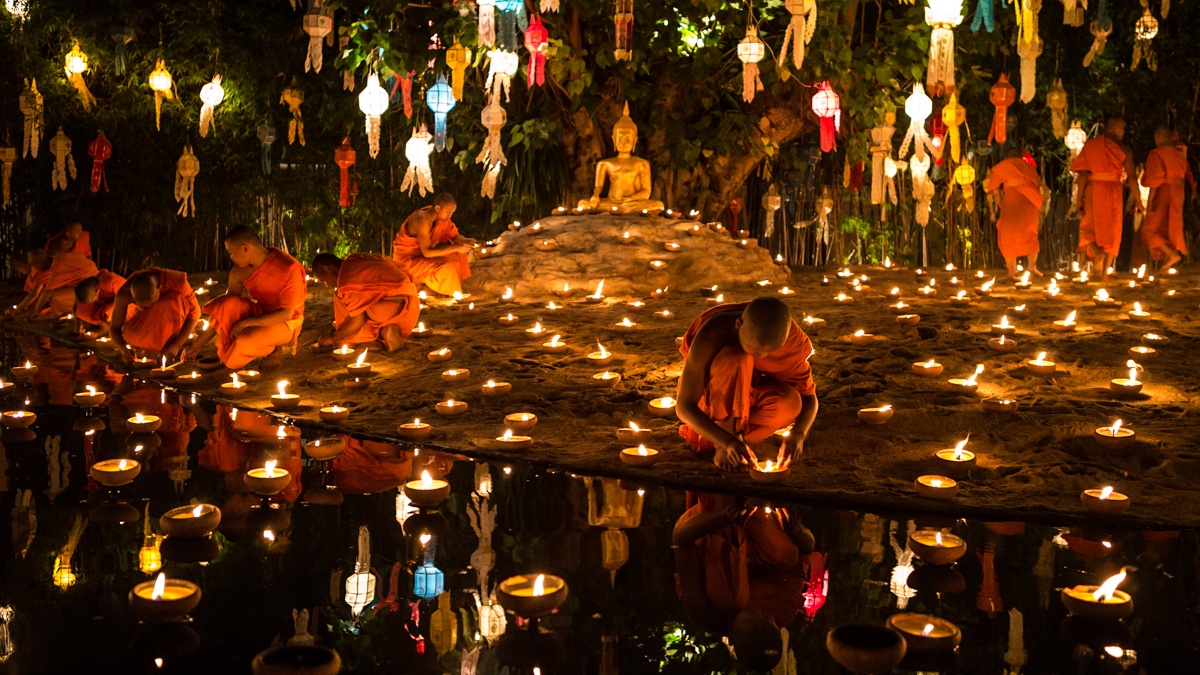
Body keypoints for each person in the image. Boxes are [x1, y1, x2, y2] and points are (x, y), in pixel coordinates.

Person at [673, 492, 812, 672]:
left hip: (712, 520)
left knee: (730, 599)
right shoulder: (783, 610)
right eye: (766, 617)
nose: (759, 611)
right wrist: (798, 532)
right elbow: (807, 550)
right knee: (787, 555)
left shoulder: (703, 612)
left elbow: (680, 539)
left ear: (731, 637)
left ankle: (725, 492)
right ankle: (753, 495)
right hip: (754, 522)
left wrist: (723, 517)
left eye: (751, 617)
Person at [676, 297, 818, 472]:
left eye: (771, 350)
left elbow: (809, 397)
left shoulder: (791, 340)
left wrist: (799, 434)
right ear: (738, 324)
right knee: (736, 357)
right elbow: (684, 406)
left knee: (791, 403)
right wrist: (726, 442)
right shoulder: (711, 334)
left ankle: (738, 441)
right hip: (712, 405)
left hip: (750, 398)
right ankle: (723, 441)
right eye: (755, 348)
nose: (762, 355)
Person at [185, 226, 306, 370]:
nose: (231, 257)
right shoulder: (239, 271)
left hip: (287, 323)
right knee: (226, 303)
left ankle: (274, 349)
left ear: (245, 248)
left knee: (241, 348)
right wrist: (196, 345)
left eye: (231, 252)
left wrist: (246, 323)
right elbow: (223, 311)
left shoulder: (289, 268)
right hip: (260, 313)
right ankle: (255, 340)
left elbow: (287, 314)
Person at [1071, 117, 1140, 279]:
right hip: (1113, 191)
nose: (1123, 132)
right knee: (1112, 231)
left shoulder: (1091, 146)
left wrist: (1079, 199)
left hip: (1093, 189)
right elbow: (1131, 178)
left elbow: (1082, 174)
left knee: (1087, 228)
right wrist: (1138, 200)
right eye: (1121, 128)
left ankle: (1096, 253)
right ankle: (1103, 275)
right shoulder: (1124, 149)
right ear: (1113, 128)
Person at [311, 252, 420, 352]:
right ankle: (387, 331)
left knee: (344, 301)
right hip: (411, 305)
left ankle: (364, 339)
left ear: (328, 269)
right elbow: (400, 267)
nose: (326, 285)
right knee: (359, 304)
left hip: (390, 310)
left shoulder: (346, 279)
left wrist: (333, 338)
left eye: (323, 280)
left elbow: (358, 320)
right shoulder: (355, 258)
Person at [109, 268, 201, 362]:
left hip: (168, 313)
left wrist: (176, 346)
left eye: (151, 303)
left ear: (159, 288)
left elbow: (195, 314)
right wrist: (123, 350)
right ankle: (152, 346)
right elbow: (114, 328)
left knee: (174, 301)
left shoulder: (175, 281)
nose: (149, 307)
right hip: (143, 321)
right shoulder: (124, 294)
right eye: (144, 305)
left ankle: (167, 343)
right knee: (130, 336)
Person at [392, 193, 475, 296]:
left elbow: (454, 236)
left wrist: (466, 241)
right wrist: (455, 247)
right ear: (437, 208)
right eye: (448, 212)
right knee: (447, 266)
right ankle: (453, 292)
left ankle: (449, 288)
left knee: (458, 254)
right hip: (408, 260)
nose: (450, 216)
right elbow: (427, 252)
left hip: (423, 255)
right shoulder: (422, 220)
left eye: (452, 213)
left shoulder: (441, 219)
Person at [986, 147, 1046, 278]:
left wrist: (1002, 204)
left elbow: (996, 191)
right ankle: (1031, 267)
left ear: (1007, 157)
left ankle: (1012, 271)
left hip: (1011, 203)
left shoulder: (1003, 166)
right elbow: (1037, 186)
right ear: (1020, 157)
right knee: (1030, 234)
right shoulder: (1029, 167)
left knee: (1008, 236)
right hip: (1030, 203)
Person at [1141, 126, 1189, 268]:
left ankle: (1171, 254)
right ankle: (1168, 262)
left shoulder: (1157, 154)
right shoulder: (1178, 154)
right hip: (1177, 191)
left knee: (1148, 228)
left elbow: (1155, 180)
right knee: (1169, 226)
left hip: (1164, 191)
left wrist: (1150, 202)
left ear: (1159, 137)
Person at [4, 249, 98, 319]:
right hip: (89, 282)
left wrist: (35, 311)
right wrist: (20, 308)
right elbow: (35, 292)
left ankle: (61, 317)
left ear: (39, 264)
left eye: (35, 266)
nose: (35, 269)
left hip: (91, 287)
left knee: (54, 297)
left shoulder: (56, 268)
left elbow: (46, 293)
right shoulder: (59, 257)